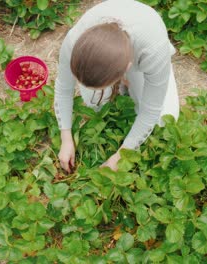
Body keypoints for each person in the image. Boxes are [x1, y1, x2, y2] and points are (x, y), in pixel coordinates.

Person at [54, 0, 180, 172]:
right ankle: (120, 90)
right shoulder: (75, 41)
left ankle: (131, 84)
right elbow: (63, 88)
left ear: (126, 69)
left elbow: (151, 110)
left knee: (164, 119)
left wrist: (122, 154)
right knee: (96, 104)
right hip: (120, 55)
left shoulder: (153, 51)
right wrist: (66, 137)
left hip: (143, 50)